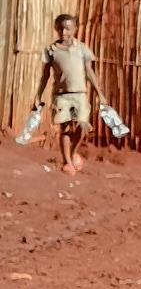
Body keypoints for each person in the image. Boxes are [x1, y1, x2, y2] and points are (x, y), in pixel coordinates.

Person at [33, 13, 109, 173]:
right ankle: (68, 163)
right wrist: (38, 95)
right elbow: (45, 76)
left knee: (82, 125)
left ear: (74, 29)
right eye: (60, 29)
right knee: (65, 128)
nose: (64, 32)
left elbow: (89, 72)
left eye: (68, 29)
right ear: (56, 29)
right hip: (62, 96)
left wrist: (100, 93)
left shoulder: (82, 49)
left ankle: (72, 153)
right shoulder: (51, 50)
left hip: (79, 94)